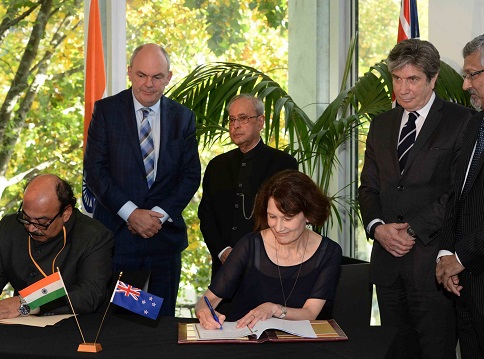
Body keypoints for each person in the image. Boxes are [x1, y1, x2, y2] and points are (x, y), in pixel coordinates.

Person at [358, 39, 474, 359]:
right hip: (387, 266)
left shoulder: (461, 121)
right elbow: (367, 188)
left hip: (433, 266)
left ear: (433, 78)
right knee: (395, 352)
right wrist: (378, 228)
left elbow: (458, 193)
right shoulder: (381, 125)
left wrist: (411, 231)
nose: (403, 90)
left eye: (413, 80)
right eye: (397, 79)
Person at [83, 43, 201, 317]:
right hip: (119, 242)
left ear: (169, 77)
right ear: (129, 73)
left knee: (159, 323)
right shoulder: (106, 112)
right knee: (123, 324)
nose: (148, 84)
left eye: (157, 77)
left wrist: (156, 216)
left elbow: (190, 175)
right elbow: (95, 171)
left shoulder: (183, 118)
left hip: (163, 245)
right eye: (141, 75)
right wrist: (131, 214)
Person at [0, 174, 114, 320]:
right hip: (22, 326)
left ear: (66, 213)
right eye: (26, 218)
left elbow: (89, 294)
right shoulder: (9, 227)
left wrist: (27, 303)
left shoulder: (94, 236)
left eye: (41, 223)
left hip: (74, 327)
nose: (31, 228)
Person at [195, 169, 342, 330]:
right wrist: (203, 311)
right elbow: (207, 300)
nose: (278, 227)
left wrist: (274, 309)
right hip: (246, 338)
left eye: (288, 218)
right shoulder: (250, 245)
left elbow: (310, 313)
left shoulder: (329, 252)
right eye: (272, 217)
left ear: (308, 215)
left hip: (298, 344)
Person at [198, 93, 298, 283]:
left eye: (243, 119)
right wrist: (222, 251)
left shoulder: (283, 164)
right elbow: (206, 214)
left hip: (268, 267)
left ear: (260, 122)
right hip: (224, 267)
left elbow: (288, 217)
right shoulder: (217, 165)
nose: (235, 126)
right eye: (232, 120)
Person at [435, 34, 484, 359]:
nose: (465, 85)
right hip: (464, 285)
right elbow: (455, 195)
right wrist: (444, 254)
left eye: (472, 74)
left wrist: (461, 258)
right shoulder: (473, 124)